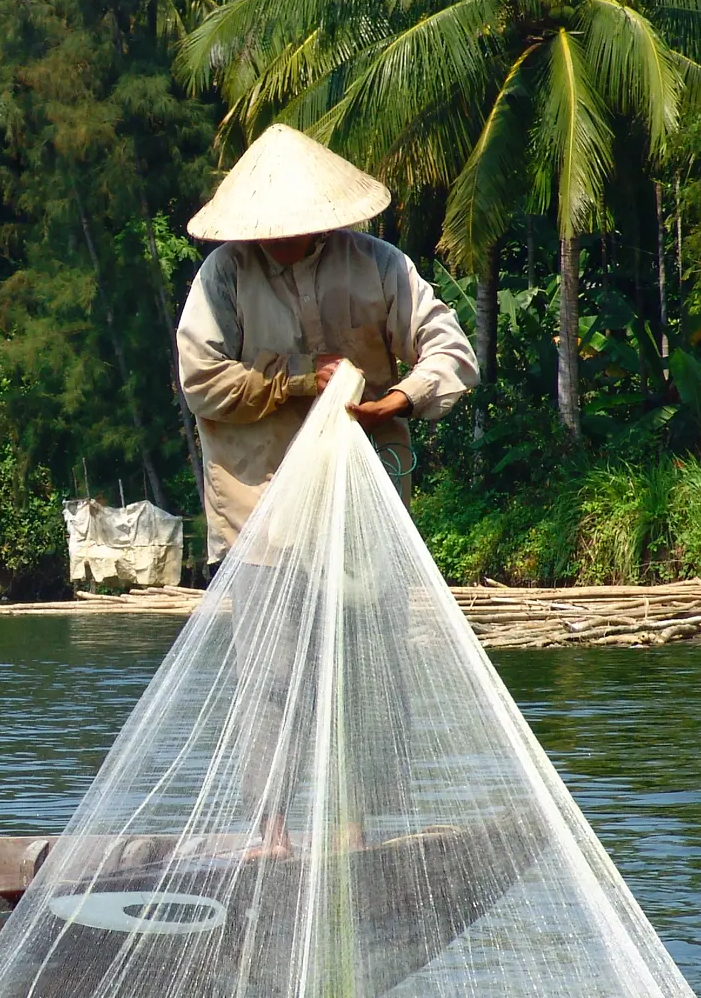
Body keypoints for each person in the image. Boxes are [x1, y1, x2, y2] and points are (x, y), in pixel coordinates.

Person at [174, 125, 478, 858]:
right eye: (270, 230)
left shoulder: (379, 267)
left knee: (369, 677)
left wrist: (395, 402)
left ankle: (353, 832)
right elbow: (201, 380)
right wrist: (291, 387)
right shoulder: (225, 276)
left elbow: (449, 349)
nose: (282, 240)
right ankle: (272, 834)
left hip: (362, 507)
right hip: (264, 508)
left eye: (297, 227)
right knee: (271, 680)